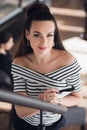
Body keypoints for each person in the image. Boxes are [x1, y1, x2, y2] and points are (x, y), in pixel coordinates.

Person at [11, 1, 83, 130]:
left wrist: (58, 101)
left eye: (49, 35)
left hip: (53, 125)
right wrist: (44, 103)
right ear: (27, 35)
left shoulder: (68, 61)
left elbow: (77, 97)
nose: (44, 42)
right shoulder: (19, 64)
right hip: (24, 125)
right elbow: (21, 111)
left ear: (54, 36)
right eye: (37, 35)